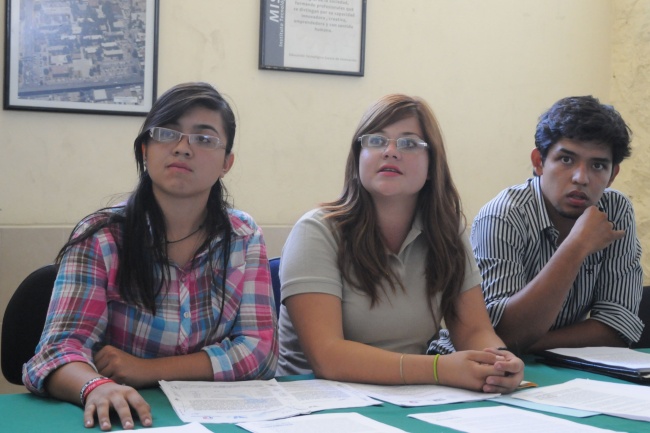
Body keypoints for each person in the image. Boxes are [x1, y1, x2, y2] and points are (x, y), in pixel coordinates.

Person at [23, 82, 278, 430]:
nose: (183, 148)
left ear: (226, 163)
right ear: (145, 149)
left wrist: (147, 369)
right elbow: (57, 351)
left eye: (204, 139)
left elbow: (260, 351)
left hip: (218, 416)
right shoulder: (102, 236)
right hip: (124, 417)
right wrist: (95, 386)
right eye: (167, 134)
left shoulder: (243, 236)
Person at [277, 94, 524, 393]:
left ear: (432, 166)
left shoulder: (447, 232)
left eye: (408, 143)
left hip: (412, 396)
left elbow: (474, 330)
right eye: (376, 141)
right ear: (358, 158)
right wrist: (438, 369)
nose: (390, 151)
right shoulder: (316, 231)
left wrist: (498, 362)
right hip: (320, 400)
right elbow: (327, 357)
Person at [431, 95, 643, 356]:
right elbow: (499, 335)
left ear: (612, 175)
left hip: (557, 362)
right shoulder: (504, 215)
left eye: (598, 165)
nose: (581, 178)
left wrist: (530, 343)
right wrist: (576, 247)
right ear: (539, 162)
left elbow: (618, 327)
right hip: (470, 364)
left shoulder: (615, 210)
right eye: (566, 160)